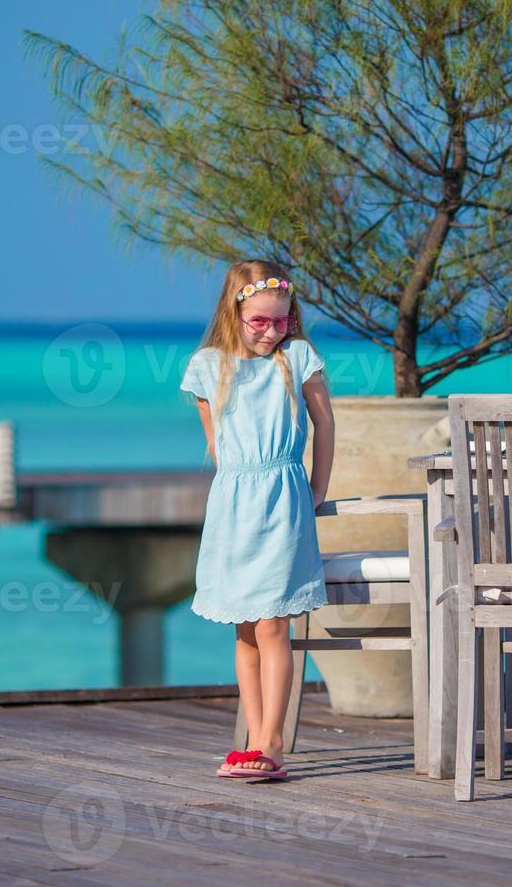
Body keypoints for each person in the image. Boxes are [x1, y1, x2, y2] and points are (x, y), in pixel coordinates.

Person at [179, 259, 335, 780]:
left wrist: (317, 487)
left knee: (273, 624)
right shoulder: (208, 364)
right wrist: (235, 489)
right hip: (233, 504)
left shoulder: (298, 358)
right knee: (244, 628)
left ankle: (271, 741)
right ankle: (250, 735)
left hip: (284, 496)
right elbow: (215, 440)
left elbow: (324, 422)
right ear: (235, 312)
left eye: (282, 321)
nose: (272, 332)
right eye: (260, 322)